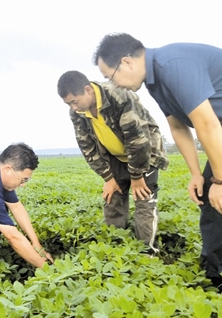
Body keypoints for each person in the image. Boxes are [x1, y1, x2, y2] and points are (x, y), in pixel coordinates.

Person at [93, 33, 222, 288]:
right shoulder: (154, 81)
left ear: (127, 62)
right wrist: (197, 174)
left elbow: (206, 122)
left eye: (111, 77)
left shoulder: (172, 64)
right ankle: (213, 273)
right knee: (208, 197)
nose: (114, 85)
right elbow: (179, 127)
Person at [57, 71, 168, 253]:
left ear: (88, 90)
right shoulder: (77, 113)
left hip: (144, 154)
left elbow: (137, 139)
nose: (73, 107)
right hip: (114, 157)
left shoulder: (118, 95)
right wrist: (108, 177)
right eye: (68, 104)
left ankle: (146, 253)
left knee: (143, 199)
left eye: (74, 101)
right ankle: (114, 249)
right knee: (113, 197)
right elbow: (87, 146)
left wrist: (137, 176)